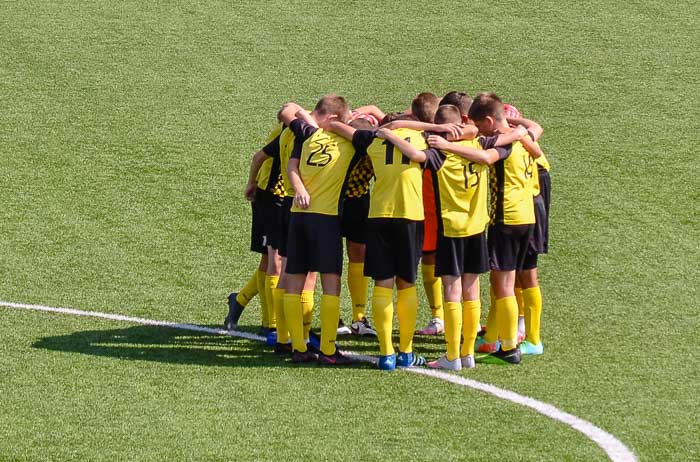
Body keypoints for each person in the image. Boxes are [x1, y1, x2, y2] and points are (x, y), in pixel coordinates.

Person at [438, 92, 542, 365]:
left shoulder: (502, 146)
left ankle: (508, 348)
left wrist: (447, 146)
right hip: (527, 217)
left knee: (503, 286)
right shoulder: (522, 137)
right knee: (509, 283)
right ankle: (499, 339)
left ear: (488, 121)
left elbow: (484, 157)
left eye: (479, 124)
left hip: (505, 218)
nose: (476, 130)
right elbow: (535, 138)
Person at [329, 115, 433, 371]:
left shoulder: (373, 140)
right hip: (410, 216)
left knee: (382, 284)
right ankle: (406, 352)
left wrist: (381, 130)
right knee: (406, 284)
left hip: (378, 216)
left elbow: (338, 127)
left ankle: (386, 354)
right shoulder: (422, 139)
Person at [283, 94, 360, 365]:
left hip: (298, 217)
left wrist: (300, 188)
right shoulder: (350, 143)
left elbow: (288, 110)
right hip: (326, 219)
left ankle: (298, 348)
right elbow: (368, 133)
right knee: (330, 285)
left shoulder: (306, 136)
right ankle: (328, 350)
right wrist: (342, 126)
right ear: (337, 120)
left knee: (294, 280)